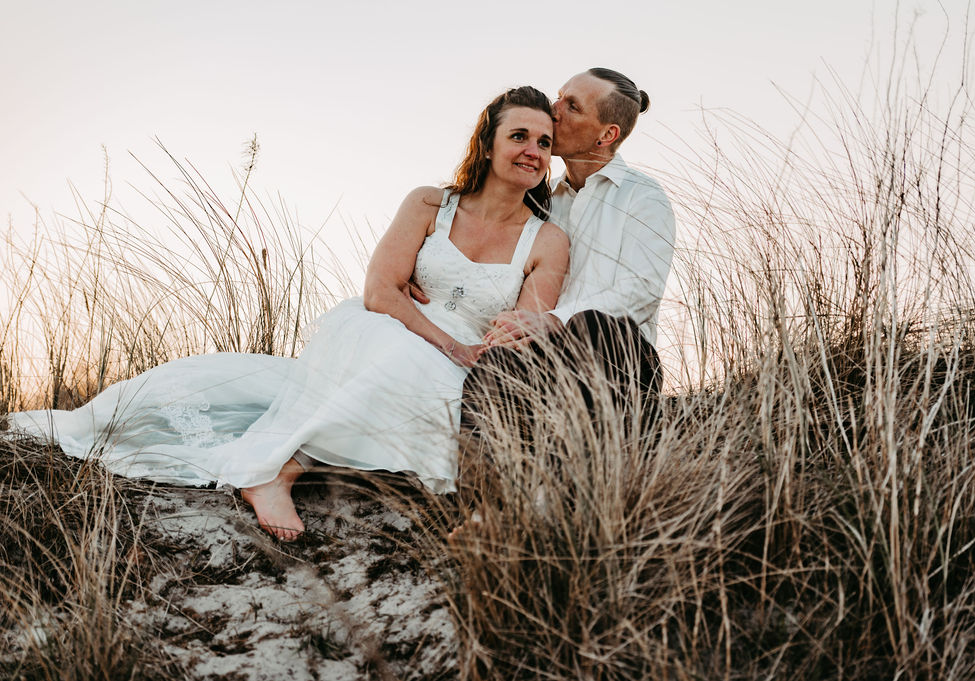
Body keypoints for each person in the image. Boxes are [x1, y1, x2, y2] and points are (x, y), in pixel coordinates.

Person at [6, 86, 569, 541]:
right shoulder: (430, 203)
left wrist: (463, 350)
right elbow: (381, 291)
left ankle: (288, 461)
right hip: (390, 329)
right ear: (488, 143)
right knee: (388, 347)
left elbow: (516, 330)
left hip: (465, 360)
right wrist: (442, 340)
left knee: (409, 374)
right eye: (519, 135)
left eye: (544, 142)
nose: (532, 151)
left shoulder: (547, 240)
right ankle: (275, 472)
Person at [456, 68, 676, 450]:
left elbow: (640, 291)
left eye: (571, 106)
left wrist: (550, 322)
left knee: (592, 325)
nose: (553, 110)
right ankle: (486, 495)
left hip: (617, 360)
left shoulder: (643, 197)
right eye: (559, 96)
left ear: (606, 135)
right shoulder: (539, 200)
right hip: (546, 361)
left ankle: (597, 467)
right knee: (495, 366)